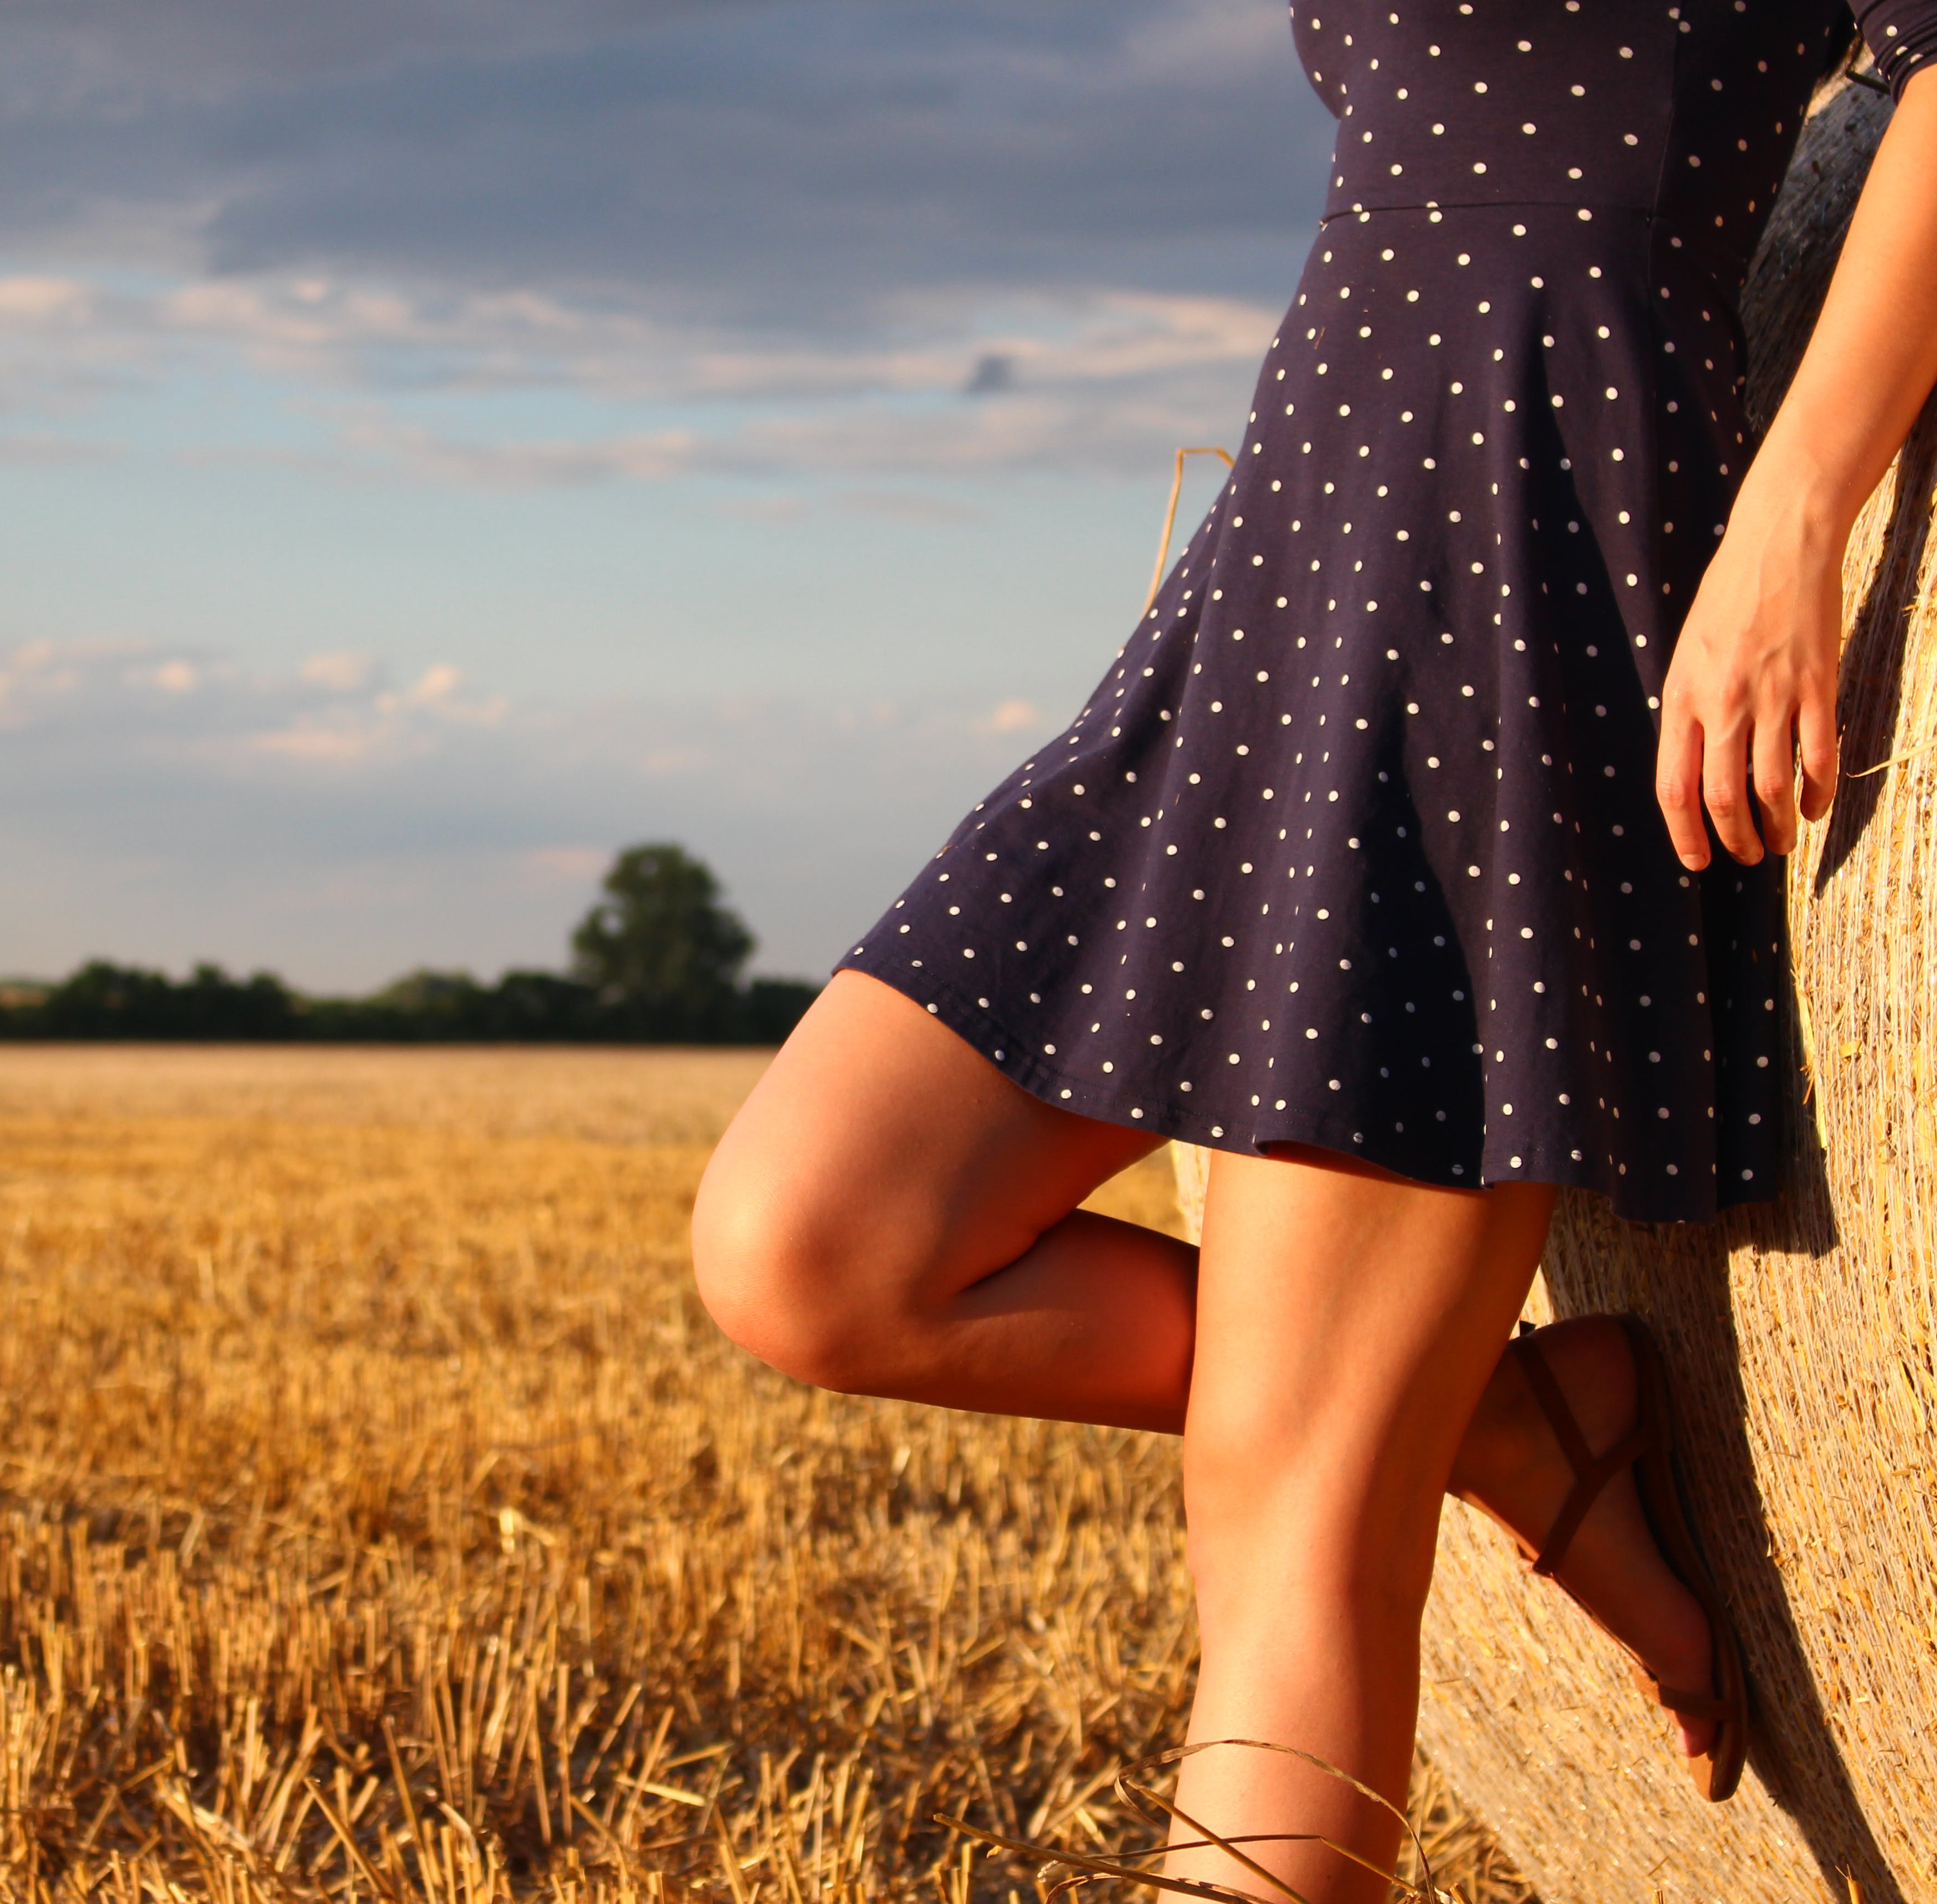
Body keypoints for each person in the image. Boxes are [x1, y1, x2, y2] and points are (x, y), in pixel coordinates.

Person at [690, 1, 1937, 1894]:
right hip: (1280, 578)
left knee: (1285, 1534)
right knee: (812, 1250)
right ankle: (1510, 1426)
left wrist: (1793, 516)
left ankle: (1433, 1434)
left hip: (1502, 583)